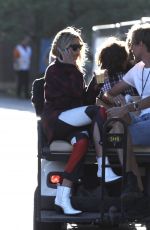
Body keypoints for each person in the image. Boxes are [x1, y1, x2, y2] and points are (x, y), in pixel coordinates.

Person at [41, 26, 120, 215]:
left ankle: (63, 195)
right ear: (62, 48)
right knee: (97, 111)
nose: (77, 51)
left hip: (72, 124)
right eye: (73, 47)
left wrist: (96, 83)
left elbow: (84, 102)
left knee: (82, 142)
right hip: (57, 121)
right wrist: (69, 65)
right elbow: (65, 100)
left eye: (79, 47)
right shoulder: (54, 70)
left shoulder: (75, 71)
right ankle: (104, 165)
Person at [102, 23, 150, 195]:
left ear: (141, 45)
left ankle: (134, 184)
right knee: (116, 126)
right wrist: (104, 85)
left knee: (119, 135)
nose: (129, 49)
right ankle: (134, 183)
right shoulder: (137, 69)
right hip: (142, 120)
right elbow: (110, 92)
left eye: (131, 45)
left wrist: (128, 107)